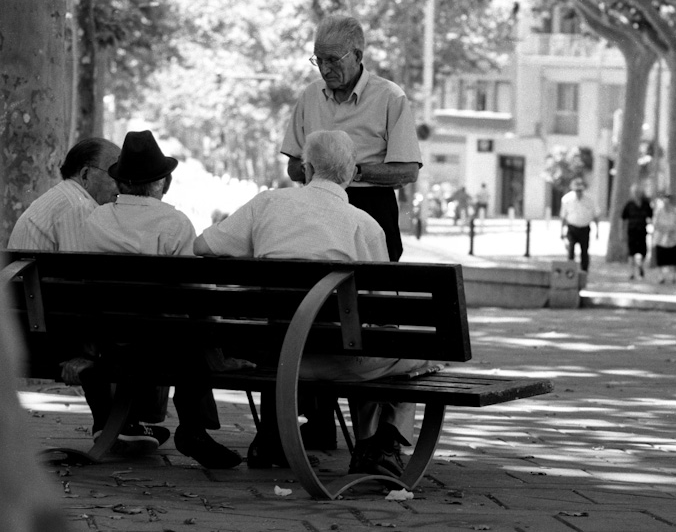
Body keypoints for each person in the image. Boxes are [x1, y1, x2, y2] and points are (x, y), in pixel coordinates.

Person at [195, 130, 432, 478]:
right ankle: (382, 442)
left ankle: (284, 437)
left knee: (372, 342)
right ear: (350, 174)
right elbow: (380, 310)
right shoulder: (364, 226)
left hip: (274, 356)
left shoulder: (267, 205)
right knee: (415, 351)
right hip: (339, 359)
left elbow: (203, 246)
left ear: (306, 169)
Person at [82, 130, 244, 469]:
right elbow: (194, 295)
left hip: (105, 340)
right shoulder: (174, 223)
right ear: (162, 182)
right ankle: (194, 428)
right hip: (161, 345)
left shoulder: (95, 219)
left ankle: (161, 426)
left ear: (121, 183)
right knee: (198, 332)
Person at [7, 138, 170, 453]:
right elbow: (82, 284)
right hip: (47, 333)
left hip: (34, 323)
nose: (121, 181)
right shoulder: (77, 207)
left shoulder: (59, 200)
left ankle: (116, 423)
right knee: (141, 322)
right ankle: (123, 423)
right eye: (113, 172)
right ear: (84, 174)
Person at [280, 14, 421, 262]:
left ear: (357, 56)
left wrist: (352, 171)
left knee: (375, 290)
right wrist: (319, 172)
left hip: (372, 204)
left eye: (333, 60)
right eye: (319, 60)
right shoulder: (310, 96)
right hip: (316, 205)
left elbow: (408, 172)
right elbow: (292, 168)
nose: (325, 69)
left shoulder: (390, 97)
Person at [559, 178, 598, 272]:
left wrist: (597, 231)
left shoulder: (590, 200)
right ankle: (570, 272)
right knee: (571, 250)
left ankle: (584, 271)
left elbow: (595, 215)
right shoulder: (567, 199)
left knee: (584, 251)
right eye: (576, 190)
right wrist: (561, 231)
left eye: (580, 190)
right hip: (572, 228)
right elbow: (563, 216)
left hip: (584, 228)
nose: (578, 193)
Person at [621, 184, 653, 280]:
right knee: (631, 253)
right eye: (635, 192)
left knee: (643, 252)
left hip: (642, 231)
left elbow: (651, 217)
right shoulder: (629, 205)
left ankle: (640, 265)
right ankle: (631, 272)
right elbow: (623, 219)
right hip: (631, 231)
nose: (637, 194)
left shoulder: (646, 204)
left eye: (639, 192)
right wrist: (622, 232)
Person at [651, 193, 676, 284]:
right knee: (661, 258)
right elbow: (655, 223)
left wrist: (670, 229)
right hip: (661, 238)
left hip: (674, 238)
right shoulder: (659, 211)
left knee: (673, 258)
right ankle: (661, 276)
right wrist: (664, 229)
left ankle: (673, 276)